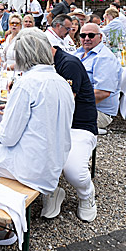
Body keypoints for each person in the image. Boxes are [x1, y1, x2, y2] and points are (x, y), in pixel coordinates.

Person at [0, 29, 73, 245]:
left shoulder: (27, 83)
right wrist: (10, 110)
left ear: (23, 56)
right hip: (53, 162)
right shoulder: (60, 81)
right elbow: (44, 118)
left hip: (30, 167)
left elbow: (7, 138)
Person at [47, 44, 99, 220]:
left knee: (74, 171)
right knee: (29, 156)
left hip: (78, 126)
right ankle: (51, 191)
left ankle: (87, 195)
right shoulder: (43, 65)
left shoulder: (68, 64)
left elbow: (65, 103)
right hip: (51, 124)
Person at [74, 22, 121, 133]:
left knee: (55, 119)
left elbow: (102, 93)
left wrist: (71, 104)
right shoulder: (78, 53)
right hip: (80, 103)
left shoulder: (104, 58)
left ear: (100, 37)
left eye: (91, 35)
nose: (86, 38)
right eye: (82, 36)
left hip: (97, 111)